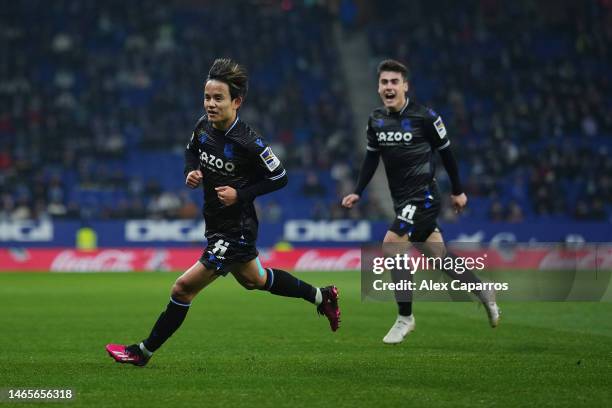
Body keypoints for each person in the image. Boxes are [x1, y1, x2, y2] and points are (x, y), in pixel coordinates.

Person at [106, 58, 340, 366]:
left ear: (237, 102)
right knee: (254, 280)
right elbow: (191, 150)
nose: (210, 104)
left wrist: (240, 194)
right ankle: (323, 297)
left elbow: (280, 176)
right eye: (207, 97)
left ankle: (142, 351)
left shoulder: (249, 141)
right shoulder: (204, 126)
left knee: (183, 288)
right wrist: (192, 172)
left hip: (237, 229)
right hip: (216, 223)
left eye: (218, 98)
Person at [341, 59, 499, 345]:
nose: (389, 87)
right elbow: (371, 158)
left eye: (394, 82)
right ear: (378, 87)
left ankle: (405, 317)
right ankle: (482, 290)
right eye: (384, 82)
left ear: (405, 86)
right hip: (402, 201)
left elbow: (447, 154)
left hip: (424, 197)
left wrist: (458, 191)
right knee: (439, 257)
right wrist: (358, 191)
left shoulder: (425, 117)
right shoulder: (376, 119)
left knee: (391, 244)